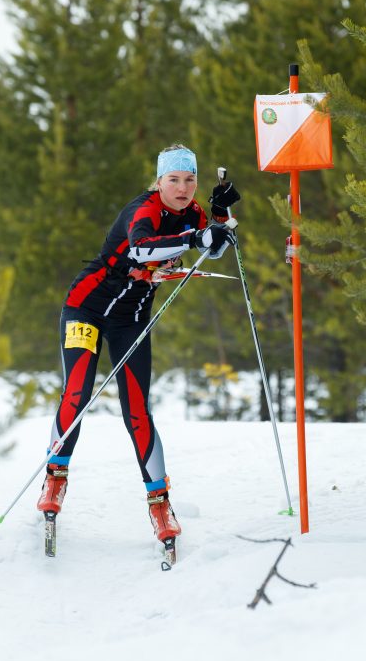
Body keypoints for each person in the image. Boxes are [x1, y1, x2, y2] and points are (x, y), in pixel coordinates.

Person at [36, 144, 240, 552]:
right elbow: (142, 249)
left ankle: (160, 504)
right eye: (173, 180)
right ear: (159, 181)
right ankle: (55, 478)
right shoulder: (143, 210)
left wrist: (220, 219)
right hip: (85, 309)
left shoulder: (194, 214)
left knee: (137, 410)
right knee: (77, 394)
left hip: (129, 320)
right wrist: (198, 235)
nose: (183, 188)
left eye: (190, 180)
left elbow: (212, 247)